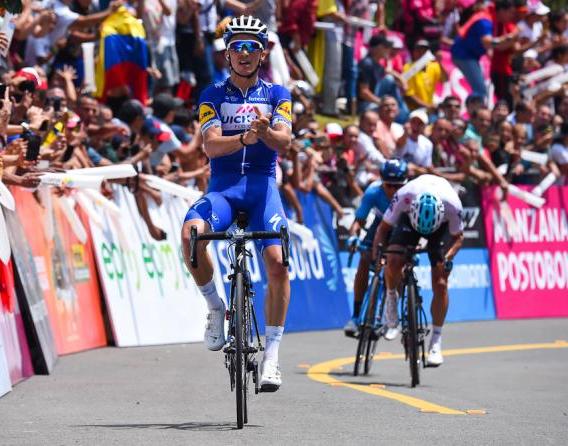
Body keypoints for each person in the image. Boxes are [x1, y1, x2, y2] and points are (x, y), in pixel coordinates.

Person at [181, 15, 292, 392]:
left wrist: (268, 133)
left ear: (262, 54)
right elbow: (211, 145)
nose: (244, 53)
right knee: (191, 235)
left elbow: (285, 142)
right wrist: (247, 137)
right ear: (227, 54)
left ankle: (272, 356)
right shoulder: (212, 94)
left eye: (251, 47)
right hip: (224, 189)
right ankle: (215, 307)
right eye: (237, 47)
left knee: (277, 264)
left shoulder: (277, 95)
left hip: (262, 190)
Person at [372, 174, 465, 366]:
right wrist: (378, 257)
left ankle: (436, 341)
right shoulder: (404, 196)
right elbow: (382, 230)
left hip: (439, 229)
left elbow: (458, 238)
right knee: (394, 259)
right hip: (409, 223)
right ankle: (391, 297)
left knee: (440, 283)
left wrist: (447, 258)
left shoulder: (452, 205)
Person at [343, 159, 408, 337]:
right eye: (389, 186)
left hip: (402, 227)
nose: (394, 191)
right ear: (382, 182)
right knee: (364, 259)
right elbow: (359, 221)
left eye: (398, 186)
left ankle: (393, 315)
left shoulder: (410, 194)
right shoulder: (373, 192)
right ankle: (356, 317)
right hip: (381, 226)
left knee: (399, 268)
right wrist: (353, 237)